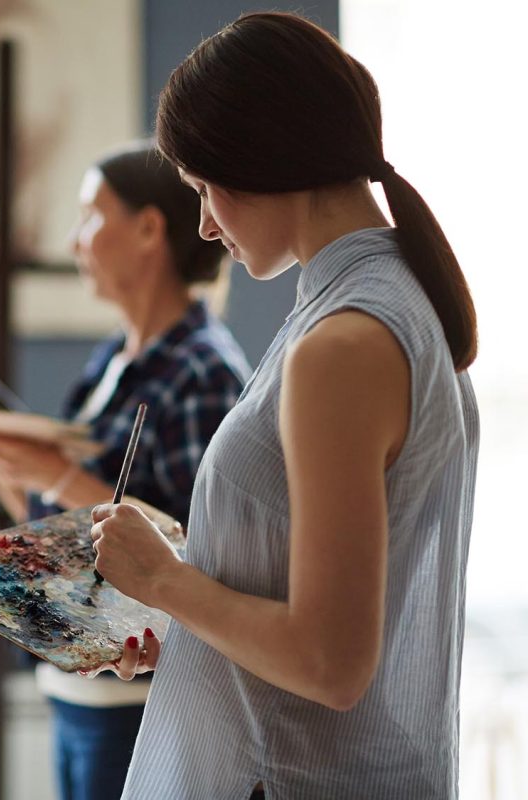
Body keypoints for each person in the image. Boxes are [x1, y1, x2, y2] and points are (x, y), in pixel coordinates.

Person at [88, 12, 479, 800]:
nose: (203, 223)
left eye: (202, 189)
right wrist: (183, 627)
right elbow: (315, 599)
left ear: (257, 161)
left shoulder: (345, 344)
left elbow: (331, 664)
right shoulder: (386, 303)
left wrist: (165, 580)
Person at [0, 142, 250, 800]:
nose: (76, 240)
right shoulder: (111, 359)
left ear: (148, 230)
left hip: (144, 703)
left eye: (89, 217)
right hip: (78, 691)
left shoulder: (204, 370)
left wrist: (51, 469)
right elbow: (50, 514)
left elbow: (202, 549)